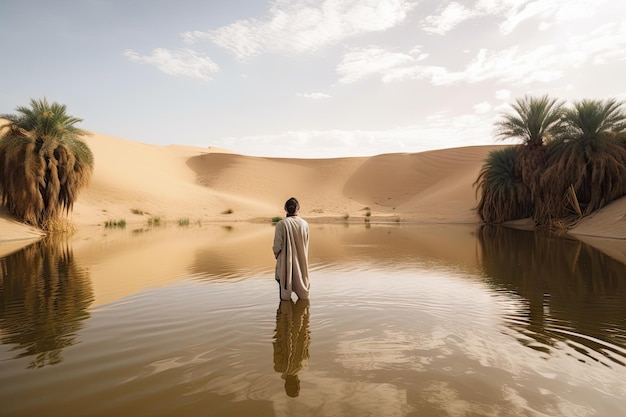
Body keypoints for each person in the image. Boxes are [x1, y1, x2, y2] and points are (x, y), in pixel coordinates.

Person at [273, 197, 310, 301]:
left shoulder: (281, 224)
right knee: (303, 297)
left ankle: (285, 316)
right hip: (301, 263)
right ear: (298, 208)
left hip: (285, 263)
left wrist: (276, 254)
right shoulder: (304, 224)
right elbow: (306, 244)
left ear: (285, 209)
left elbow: (277, 246)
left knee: (284, 298)